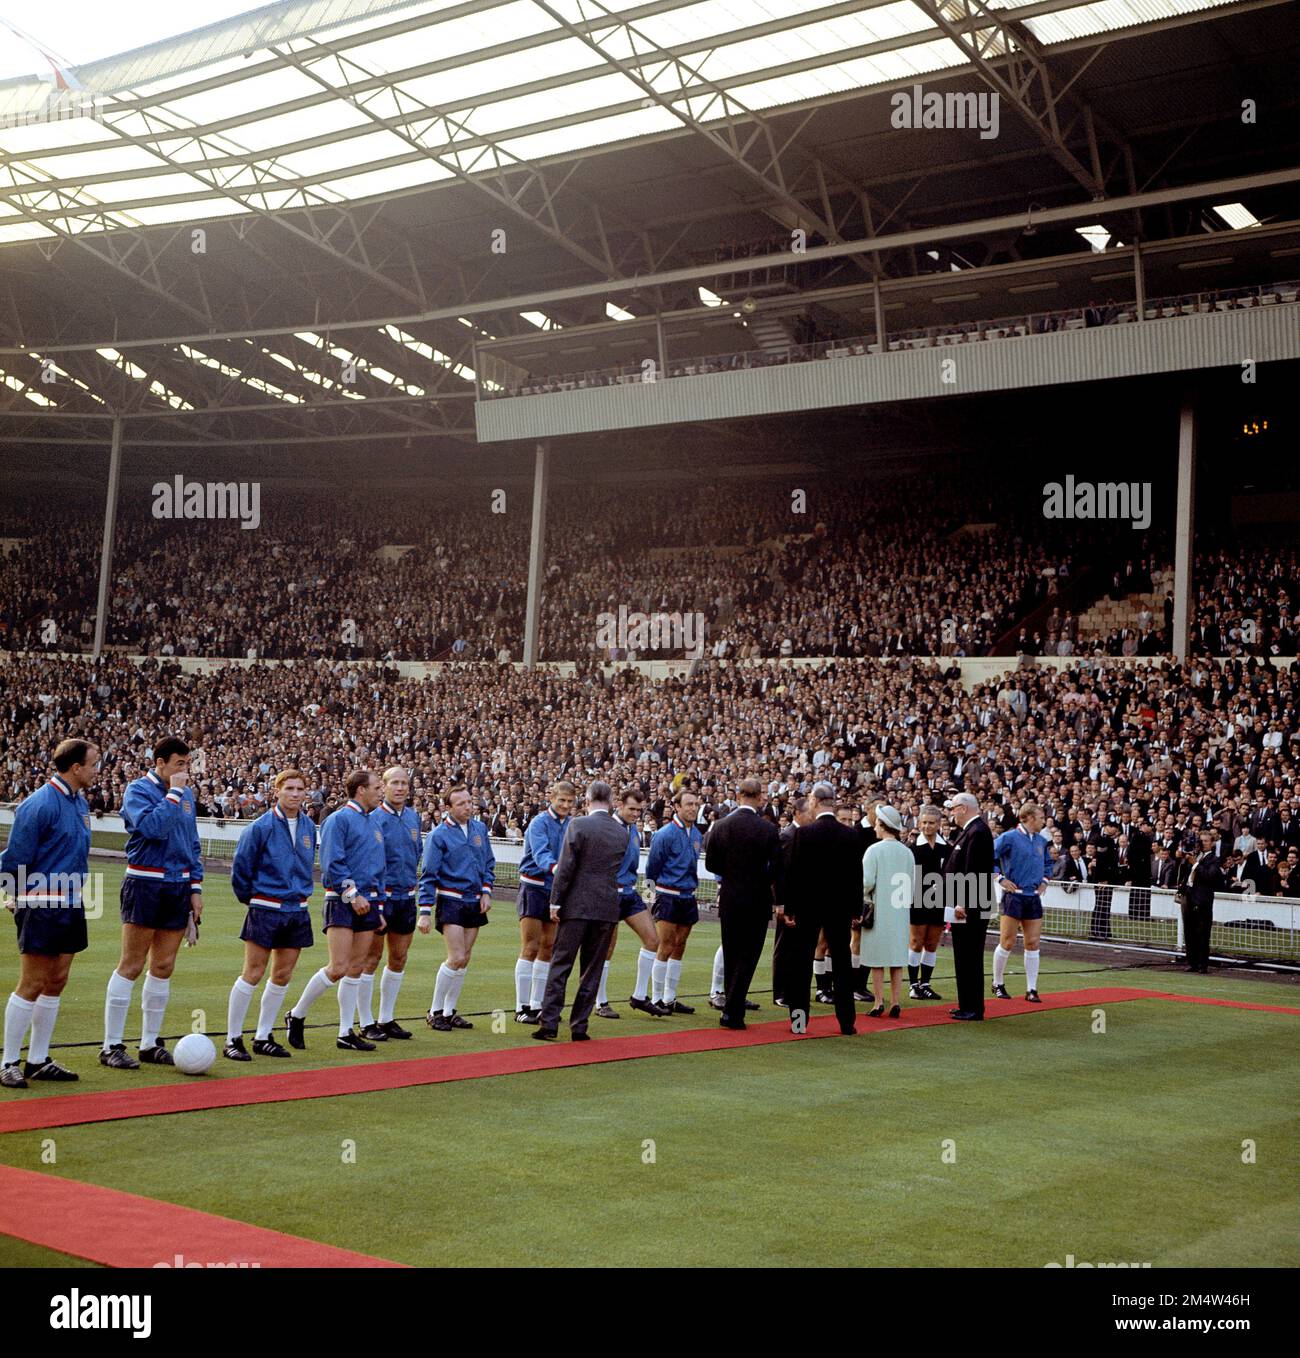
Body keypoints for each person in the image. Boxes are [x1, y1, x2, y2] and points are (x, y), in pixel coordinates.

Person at [1, 739, 99, 1088]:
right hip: (40, 903)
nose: (96, 771)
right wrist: (13, 895)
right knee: (32, 983)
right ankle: (8, 1060)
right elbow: (16, 858)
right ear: (75, 768)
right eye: (93, 764)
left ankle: (38, 1059)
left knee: (57, 980)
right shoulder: (38, 804)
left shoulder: (80, 804)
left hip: (71, 901)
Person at [101, 735, 204, 1070]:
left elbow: (192, 842)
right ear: (160, 763)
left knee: (163, 966)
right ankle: (111, 1045)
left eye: (187, 764)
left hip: (177, 886)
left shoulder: (187, 795)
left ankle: (148, 1042)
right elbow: (153, 828)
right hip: (144, 883)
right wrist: (174, 792)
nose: (185, 771)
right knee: (131, 964)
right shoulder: (138, 791)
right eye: (179, 764)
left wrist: (196, 887)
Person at [286, 769, 385, 1052]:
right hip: (341, 901)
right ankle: (297, 1013)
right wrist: (352, 894)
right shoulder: (338, 820)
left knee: (356, 968)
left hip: (368, 904)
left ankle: (345, 1032)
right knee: (338, 967)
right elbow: (331, 863)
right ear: (360, 790)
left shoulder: (373, 824)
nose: (381, 791)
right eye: (377, 787)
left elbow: (378, 869)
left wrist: (378, 905)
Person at [223, 768, 318, 1060]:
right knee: (252, 973)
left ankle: (263, 1035)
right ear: (277, 791)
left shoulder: (309, 827)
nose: (294, 794)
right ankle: (232, 1039)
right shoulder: (260, 827)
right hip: (265, 908)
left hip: (297, 909)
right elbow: (241, 870)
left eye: (299, 789)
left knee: (283, 974)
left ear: (306, 793)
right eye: (289, 788)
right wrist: (255, 900)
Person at [532, 782, 627, 1041]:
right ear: (611, 800)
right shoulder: (622, 832)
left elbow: (565, 867)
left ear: (587, 799)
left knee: (561, 965)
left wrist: (555, 901)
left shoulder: (578, 825)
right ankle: (579, 1026)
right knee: (592, 970)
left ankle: (549, 1023)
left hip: (576, 905)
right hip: (606, 906)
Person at [778, 782, 862, 1036]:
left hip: (808, 906)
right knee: (842, 963)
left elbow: (792, 874)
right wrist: (856, 909)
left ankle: (799, 1022)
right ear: (833, 803)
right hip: (839, 908)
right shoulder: (849, 835)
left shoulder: (804, 833)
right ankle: (846, 1022)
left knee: (801, 963)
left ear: (814, 802)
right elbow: (855, 876)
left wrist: (789, 907)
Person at [702, 778, 780, 1030]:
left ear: (738, 796)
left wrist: (732, 874)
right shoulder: (767, 829)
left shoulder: (721, 826)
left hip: (731, 897)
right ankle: (733, 1010)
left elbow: (711, 864)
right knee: (748, 955)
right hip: (756, 898)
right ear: (759, 798)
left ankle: (731, 1008)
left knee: (732, 952)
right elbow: (777, 868)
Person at [417, 784, 495, 1031]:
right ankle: (434, 1010)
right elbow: (428, 874)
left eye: (469, 802)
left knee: (465, 958)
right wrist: (425, 911)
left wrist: (486, 890)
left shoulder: (479, 828)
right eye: (460, 803)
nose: (467, 807)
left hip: (474, 900)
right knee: (456, 956)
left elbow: (488, 863)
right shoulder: (438, 835)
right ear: (448, 808)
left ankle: (450, 1011)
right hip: (451, 900)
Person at [360, 766, 423, 1041]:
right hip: (380, 898)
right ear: (383, 787)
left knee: (398, 958)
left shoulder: (413, 817)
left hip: (407, 897)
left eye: (404, 783)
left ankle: (386, 1018)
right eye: (394, 783)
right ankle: (365, 1021)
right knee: (370, 959)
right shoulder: (373, 819)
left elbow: (416, 853)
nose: (400, 788)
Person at [513, 781, 575, 1024]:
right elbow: (541, 854)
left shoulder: (572, 824)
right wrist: (559, 868)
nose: (565, 805)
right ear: (552, 797)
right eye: (562, 800)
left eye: (570, 802)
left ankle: (538, 1005)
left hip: (556, 890)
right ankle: (521, 1007)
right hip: (533, 887)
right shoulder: (538, 823)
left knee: (548, 947)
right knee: (531, 945)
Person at [645, 788, 703, 1016]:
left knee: (680, 946)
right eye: (688, 804)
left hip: (688, 896)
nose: (693, 808)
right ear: (677, 807)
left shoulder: (697, 835)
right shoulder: (665, 834)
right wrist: (650, 897)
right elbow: (652, 868)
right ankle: (657, 998)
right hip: (667, 895)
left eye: (695, 804)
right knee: (665, 946)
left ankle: (670, 997)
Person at [991, 802, 1053, 1003]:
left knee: (1033, 943)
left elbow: (1048, 864)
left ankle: (1031, 988)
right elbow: (988, 857)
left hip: (1033, 897)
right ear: (1029, 818)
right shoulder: (1009, 837)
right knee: (1007, 941)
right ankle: (998, 983)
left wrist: (1045, 881)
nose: (1044, 821)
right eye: (1041, 817)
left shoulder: (1041, 841)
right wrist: (999, 878)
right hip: (1014, 896)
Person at [608, 787, 661, 1018]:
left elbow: (643, 868)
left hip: (629, 893)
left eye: (639, 810)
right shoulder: (608, 828)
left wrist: (648, 898)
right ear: (619, 804)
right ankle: (600, 1002)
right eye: (631, 809)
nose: (635, 814)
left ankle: (639, 996)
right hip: (609, 894)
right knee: (606, 949)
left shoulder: (635, 831)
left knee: (652, 940)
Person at [942, 792, 995, 1021]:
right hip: (965, 904)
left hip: (970, 906)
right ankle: (967, 1004)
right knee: (963, 956)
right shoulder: (971, 832)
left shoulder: (978, 832)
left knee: (970, 956)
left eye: (953, 808)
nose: (951, 813)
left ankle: (973, 1007)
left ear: (963, 808)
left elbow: (974, 870)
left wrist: (963, 901)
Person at [861, 805, 912, 1018]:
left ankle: (878, 1001)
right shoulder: (907, 852)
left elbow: (866, 882)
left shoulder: (874, 850)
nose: (874, 828)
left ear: (883, 825)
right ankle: (895, 1001)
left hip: (879, 910)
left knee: (877, 960)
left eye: (876, 824)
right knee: (896, 959)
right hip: (899, 911)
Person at [772, 796, 814, 1007]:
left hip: (801, 902)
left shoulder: (805, 835)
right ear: (798, 813)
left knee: (797, 949)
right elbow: (782, 874)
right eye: (809, 813)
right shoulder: (788, 836)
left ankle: (791, 990)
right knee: (783, 947)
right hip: (788, 904)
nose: (812, 816)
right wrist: (781, 904)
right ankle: (780, 992)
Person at [908, 803, 948, 1000]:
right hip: (917, 901)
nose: (927, 826)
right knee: (916, 942)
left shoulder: (946, 848)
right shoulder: (912, 849)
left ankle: (925, 984)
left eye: (931, 823)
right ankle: (913, 985)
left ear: (939, 824)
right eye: (923, 822)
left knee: (932, 944)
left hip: (939, 901)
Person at [1180, 828, 1224, 974]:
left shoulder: (1215, 859)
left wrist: (1195, 864)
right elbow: (1184, 873)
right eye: (1201, 841)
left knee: (1202, 932)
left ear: (1212, 843)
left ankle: (1202, 964)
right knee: (1189, 931)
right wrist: (1185, 859)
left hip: (1202, 899)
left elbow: (1209, 876)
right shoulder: (1195, 855)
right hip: (1189, 896)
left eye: (1206, 841)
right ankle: (1191, 962)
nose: (1203, 844)